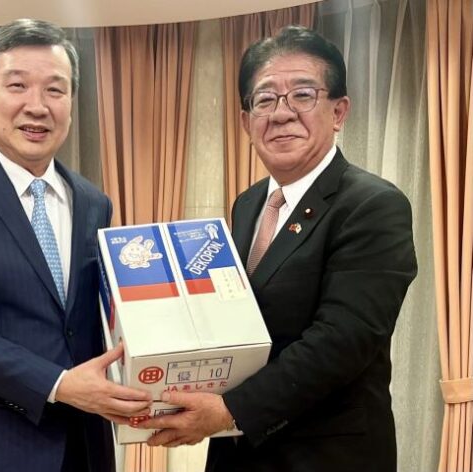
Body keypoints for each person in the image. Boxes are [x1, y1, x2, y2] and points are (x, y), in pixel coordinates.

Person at [137, 25, 417, 472]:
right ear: (246, 121)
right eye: (265, 99)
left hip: (326, 456)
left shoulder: (373, 204)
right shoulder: (248, 204)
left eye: (303, 95)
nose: (282, 113)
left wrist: (228, 410)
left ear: (338, 111)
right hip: (238, 453)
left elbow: (342, 341)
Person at [0, 19, 151, 472]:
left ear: (71, 104)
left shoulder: (94, 202)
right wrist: (58, 384)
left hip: (85, 446)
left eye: (55, 90)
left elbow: (93, 323)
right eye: (17, 86)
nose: (37, 106)